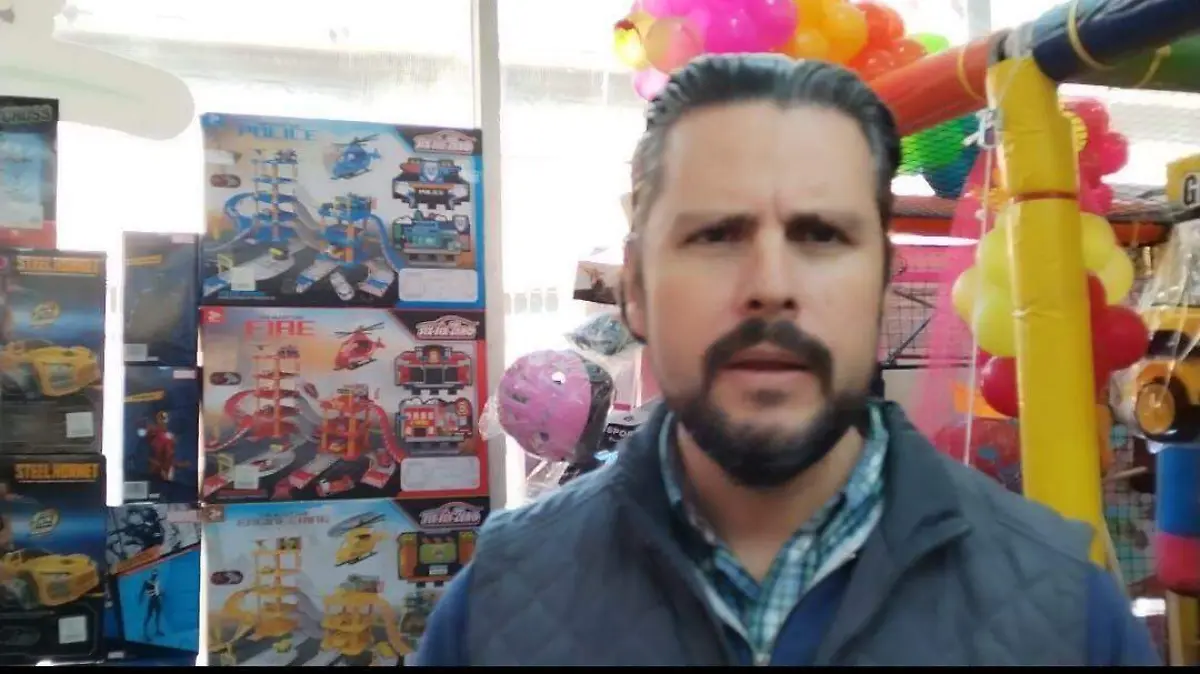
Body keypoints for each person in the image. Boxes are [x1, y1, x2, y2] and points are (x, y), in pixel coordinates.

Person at [415, 55, 1161, 666]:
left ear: (882, 284)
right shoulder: (497, 610)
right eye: (715, 235)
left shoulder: (1069, 613)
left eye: (822, 235)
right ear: (635, 289)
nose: (770, 286)